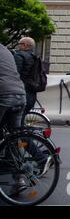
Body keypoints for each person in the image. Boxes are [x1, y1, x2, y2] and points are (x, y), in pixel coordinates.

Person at [0, 43, 27, 193]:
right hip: (20, 95)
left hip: (4, 96)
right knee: (14, 138)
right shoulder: (6, 50)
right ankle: (20, 178)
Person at [13, 37, 38, 126]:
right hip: (31, 94)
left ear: (26, 46)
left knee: (15, 124)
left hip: (19, 93)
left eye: (19, 44)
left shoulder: (19, 56)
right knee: (20, 121)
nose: (18, 46)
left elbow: (14, 74)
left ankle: (25, 139)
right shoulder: (35, 58)